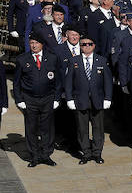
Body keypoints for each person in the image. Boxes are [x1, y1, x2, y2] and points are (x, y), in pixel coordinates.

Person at [64, 33, 113, 164]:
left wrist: (108, 98)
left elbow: (107, 81)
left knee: (98, 128)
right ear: (80, 46)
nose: (86, 46)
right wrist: (69, 99)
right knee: (82, 128)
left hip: (97, 100)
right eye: (83, 44)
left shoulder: (101, 60)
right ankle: (86, 153)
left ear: (94, 46)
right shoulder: (74, 61)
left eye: (89, 44)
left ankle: (97, 153)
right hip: (80, 100)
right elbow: (68, 82)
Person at [13, 34, 58, 166]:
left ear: (42, 44)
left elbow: (58, 80)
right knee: (31, 128)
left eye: (36, 43)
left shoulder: (52, 58)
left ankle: (46, 155)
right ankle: (34, 156)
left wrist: (56, 98)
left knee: (47, 128)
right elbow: (16, 82)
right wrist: (19, 99)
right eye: (31, 42)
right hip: (29, 99)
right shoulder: (22, 59)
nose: (34, 45)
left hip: (47, 98)